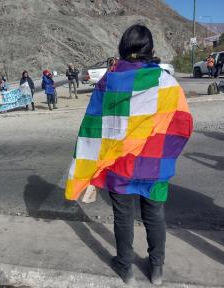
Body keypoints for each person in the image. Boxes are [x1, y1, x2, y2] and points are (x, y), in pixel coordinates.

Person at [65, 24, 193, 286]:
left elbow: (93, 125)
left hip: (119, 164)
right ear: (150, 49)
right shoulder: (165, 82)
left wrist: (88, 165)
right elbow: (183, 124)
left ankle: (126, 269)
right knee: (154, 215)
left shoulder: (108, 81)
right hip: (154, 164)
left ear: (123, 47)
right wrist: (166, 154)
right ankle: (156, 270)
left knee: (123, 217)